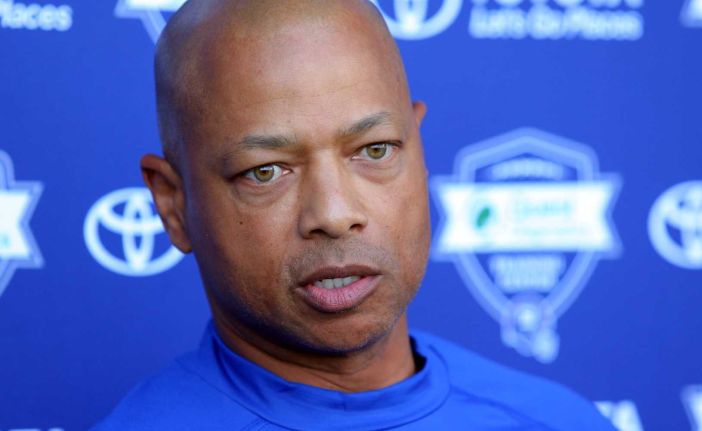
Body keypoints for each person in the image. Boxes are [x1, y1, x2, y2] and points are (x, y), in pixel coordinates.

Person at [94, 0, 617, 429]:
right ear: (173, 204)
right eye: (266, 171)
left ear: (419, 148)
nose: (335, 214)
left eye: (374, 150)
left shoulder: (557, 419)